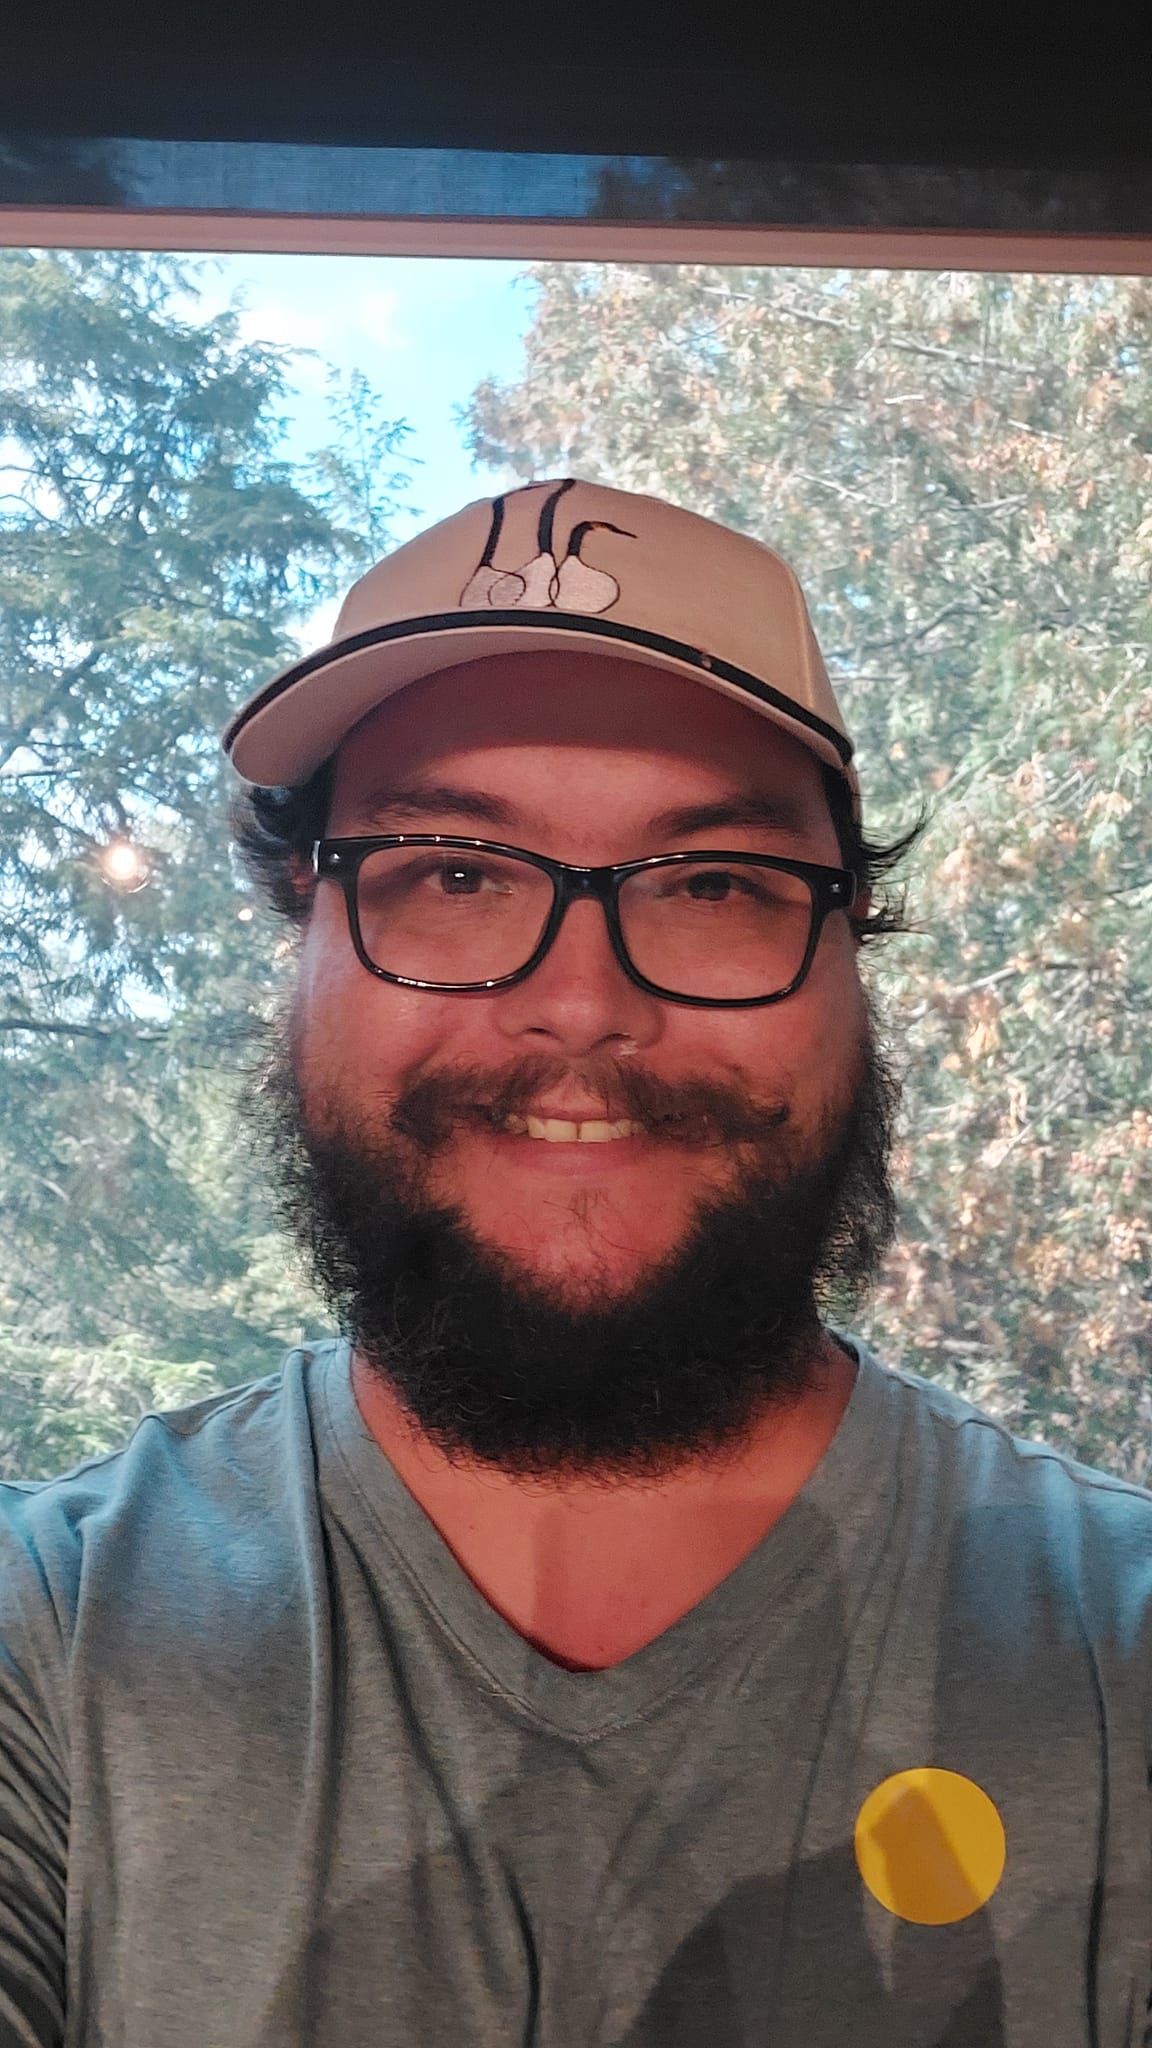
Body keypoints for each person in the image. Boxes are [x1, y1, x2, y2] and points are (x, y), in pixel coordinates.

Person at [1, 479, 1150, 2048]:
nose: (582, 1008)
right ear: (301, 931)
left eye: (714, 885)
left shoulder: (1120, 1659)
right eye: (455, 872)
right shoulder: (46, 1654)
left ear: (854, 946)